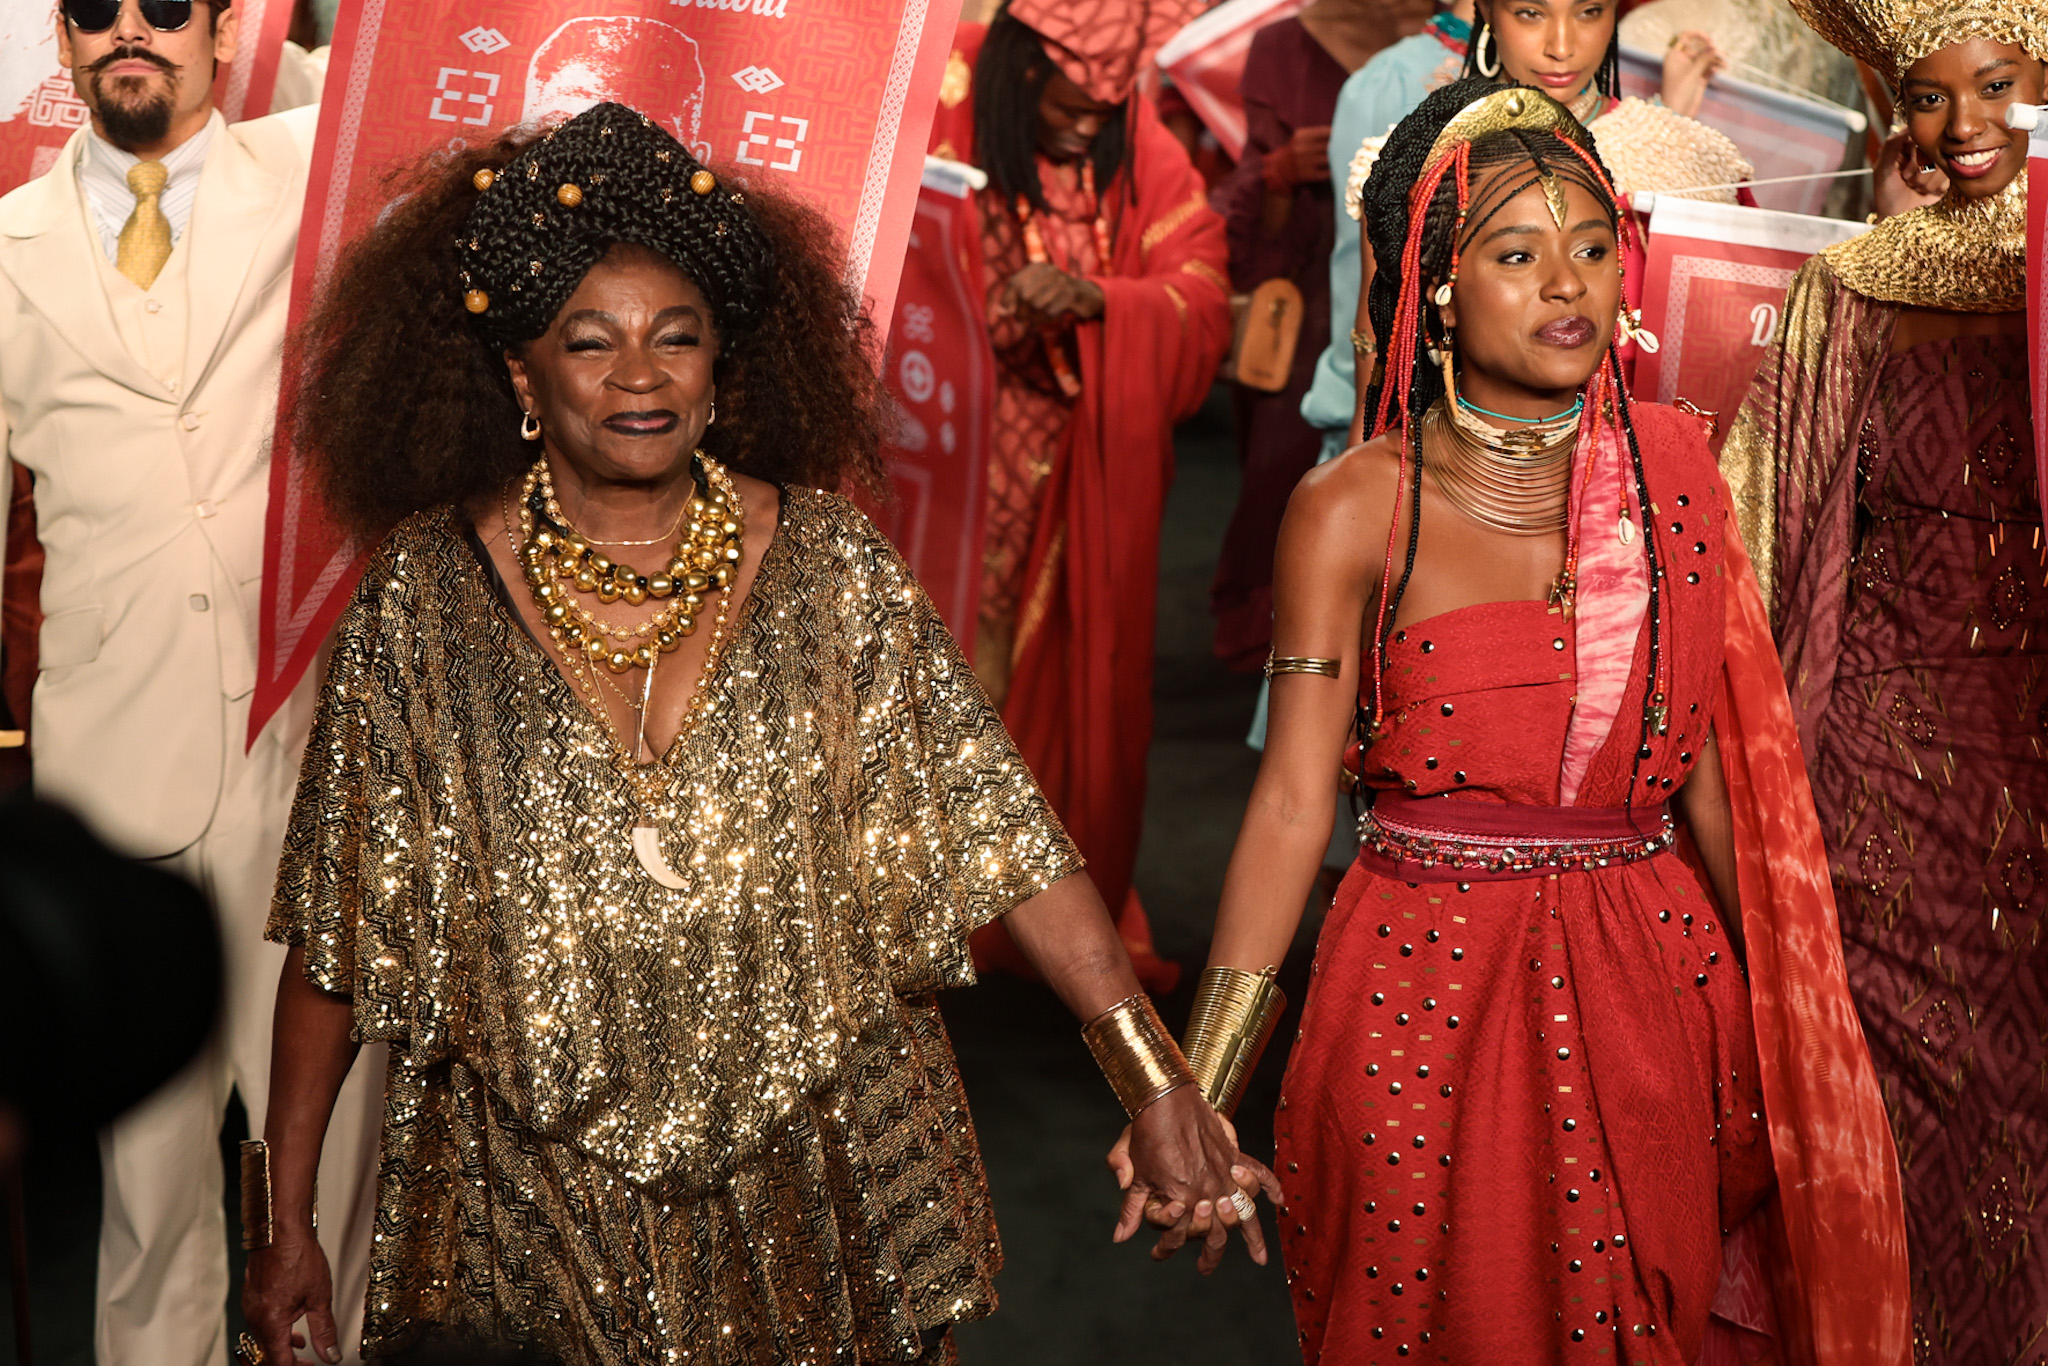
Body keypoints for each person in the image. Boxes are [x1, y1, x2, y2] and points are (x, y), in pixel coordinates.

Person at [242, 102, 1277, 1366]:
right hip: (530, 1196)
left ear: (722, 366)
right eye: (592, 343)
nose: (641, 375)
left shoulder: (830, 563)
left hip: (823, 1168)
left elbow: (999, 831)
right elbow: (343, 934)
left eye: (677, 340)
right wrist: (285, 1217)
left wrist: (1155, 1078)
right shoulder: (423, 597)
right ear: (522, 373)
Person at [1185, 80, 1911, 1362]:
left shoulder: (1676, 469)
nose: (1564, 283)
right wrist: (1198, 1086)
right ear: (1440, 285)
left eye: (1588, 247)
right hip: (1420, 990)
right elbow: (1296, 799)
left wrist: (1810, 1038)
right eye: (1516, 255)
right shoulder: (1356, 505)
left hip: (1648, 986)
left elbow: (1714, 786)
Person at [0, 3, 384, 1362]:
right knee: (149, 1212)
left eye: (166, 3)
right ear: (62, 40)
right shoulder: (5, 250)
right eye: (95, 7)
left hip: (314, 767)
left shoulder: (325, 182)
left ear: (227, 30)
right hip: (113, 796)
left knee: (332, 1198)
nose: (130, 30)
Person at [1720, 1, 2047, 1354]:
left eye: (2001, 86)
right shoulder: (1853, 287)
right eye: (1928, 95)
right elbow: (1763, 537)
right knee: (1893, 1119)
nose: (1962, 126)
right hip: (1885, 797)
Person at [923, 0, 1233, 989]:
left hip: (1078, 463)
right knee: (938, 662)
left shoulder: (1138, 140)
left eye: (1101, 117)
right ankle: (915, 899)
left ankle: (1013, 906)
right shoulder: (949, 93)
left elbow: (1199, 287)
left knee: (1037, 667)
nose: (1083, 131)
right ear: (1018, 74)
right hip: (937, 449)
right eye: (1064, 113)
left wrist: (1100, 299)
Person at [1209, 0, 1435, 673]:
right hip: (1307, 294)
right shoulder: (1284, 44)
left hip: (1411, 307)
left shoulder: (1453, 48)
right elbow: (1240, 193)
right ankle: (1283, 649)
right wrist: (1280, 170)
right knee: (1282, 474)